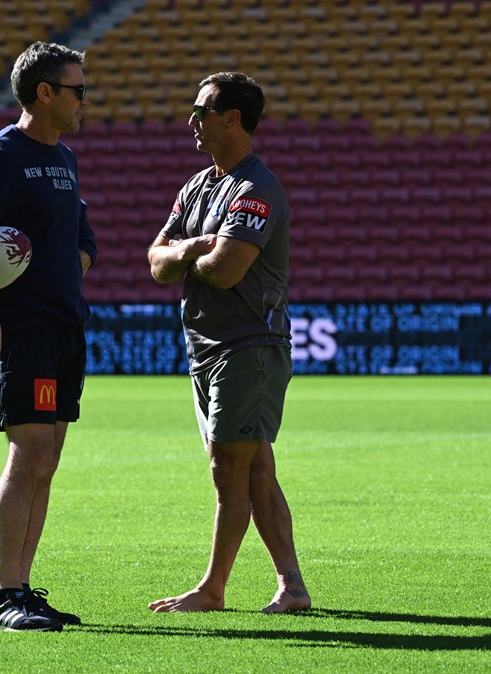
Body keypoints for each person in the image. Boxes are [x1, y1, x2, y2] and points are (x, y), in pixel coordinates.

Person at [0, 41, 96, 632]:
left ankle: (24, 590)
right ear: (45, 92)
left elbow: (82, 231)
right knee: (28, 452)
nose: (85, 99)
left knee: (48, 457)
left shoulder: (67, 159)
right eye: (77, 88)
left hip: (62, 326)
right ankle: (2, 596)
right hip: (20, 330)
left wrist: (74, 260)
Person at [147, 72, 311, 614]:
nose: (191, 120)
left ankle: (213, 590)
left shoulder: (254, 188)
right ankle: (292, 587)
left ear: (231, 119)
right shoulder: (197, 186)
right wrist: (194, 246)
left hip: (247, 346)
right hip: (207, 346)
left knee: (228, 468)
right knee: (255, 466)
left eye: (201, 110)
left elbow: (227, 269)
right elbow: (155, 262)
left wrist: (187, 257)